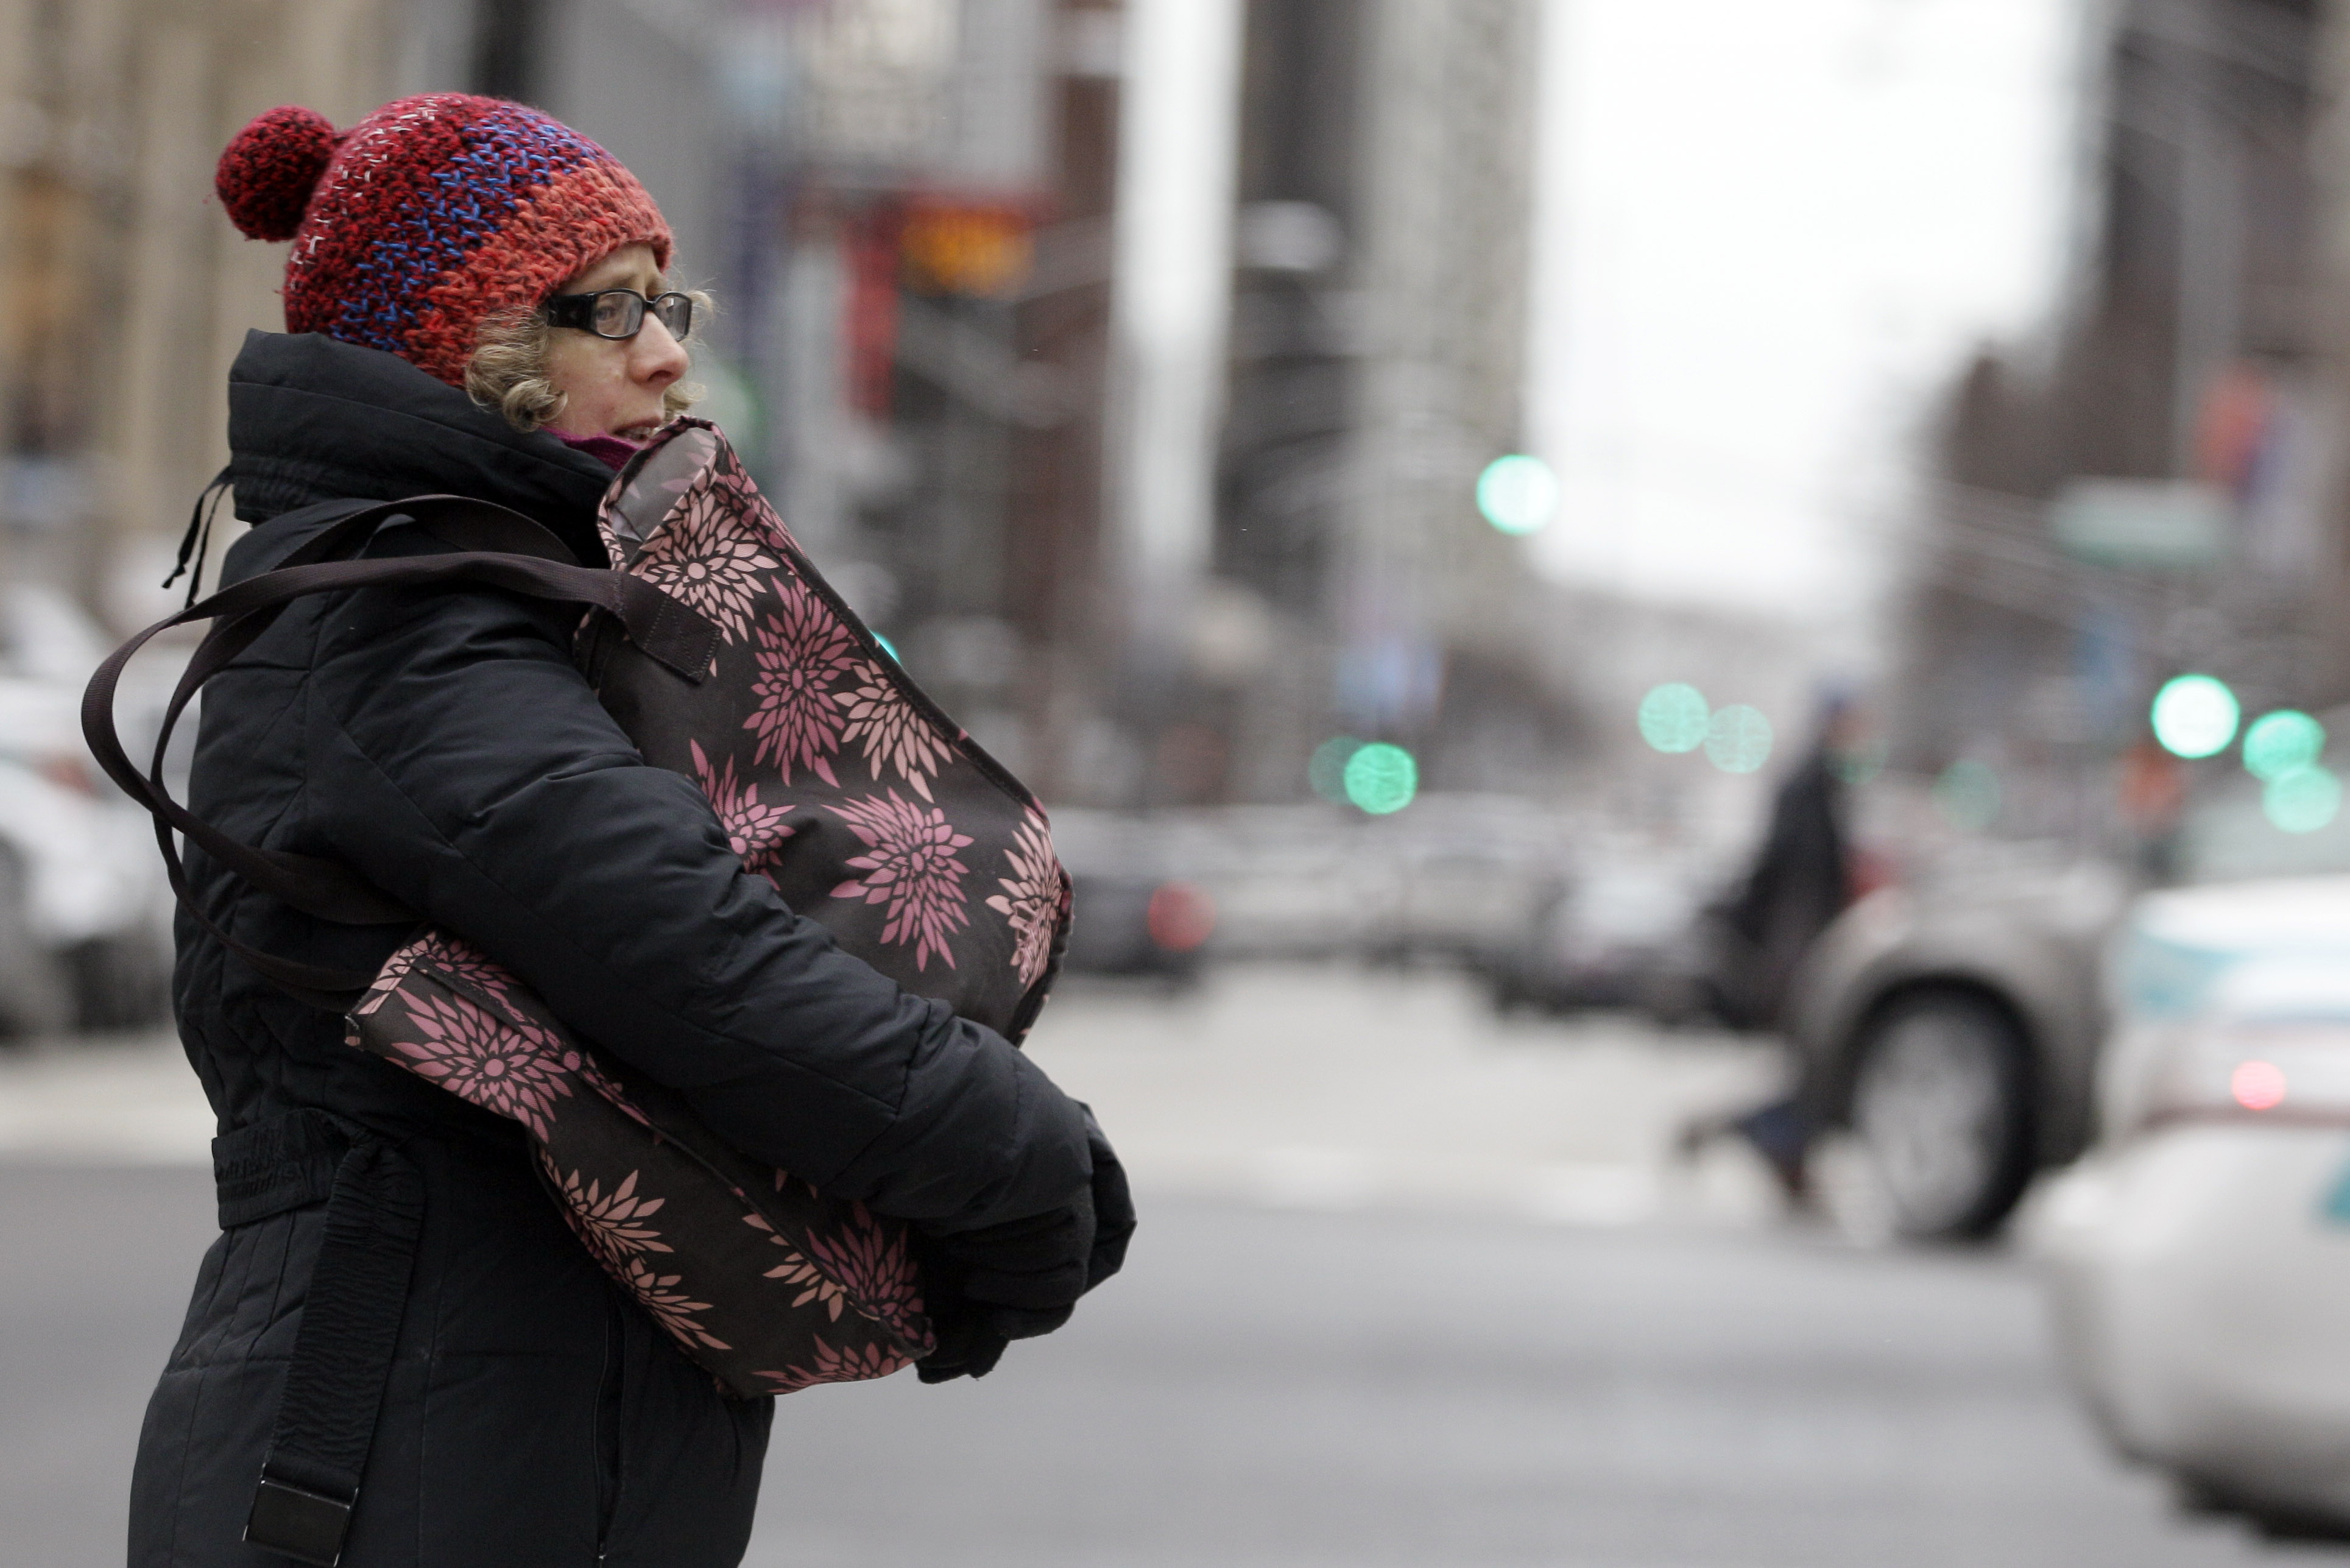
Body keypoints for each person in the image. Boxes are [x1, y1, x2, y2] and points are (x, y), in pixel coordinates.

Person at [128, 96, 1128, 1568]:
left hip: (459, 1451)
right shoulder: (400, 631)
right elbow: (691, 958)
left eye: (667, 302)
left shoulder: (495, 609)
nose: (666, 353)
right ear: (456, 345)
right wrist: (1026, 1163)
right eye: (603, 308)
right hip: (369, 1475)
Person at [1680, 694, 1863, 1200]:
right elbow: (1789, 875)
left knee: (1807, 1071)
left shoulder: (1825, 784)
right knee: (1812, 1069)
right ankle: (1736, 1133)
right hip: (1800, 955)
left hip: (1804, 950)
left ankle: (1769, 1152)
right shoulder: (1809, 787)